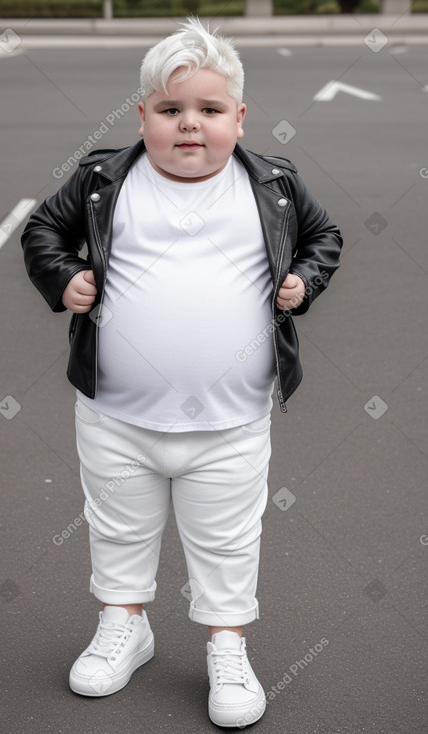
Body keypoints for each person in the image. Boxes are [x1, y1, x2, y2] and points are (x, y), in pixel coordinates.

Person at [21, 16, 342, 728]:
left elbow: (324, 238)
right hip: (115, 413)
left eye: (208, 109)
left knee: (227, 537)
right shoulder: (104, 179)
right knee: (117, 526)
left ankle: (226, 645)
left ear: (239, 115)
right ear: (142, 116)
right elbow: (42, 229)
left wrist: (302, 281)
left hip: (231, 418)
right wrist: (64, 274)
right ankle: (124, 625)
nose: (188, 125)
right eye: (169, 111)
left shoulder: (273, 185)